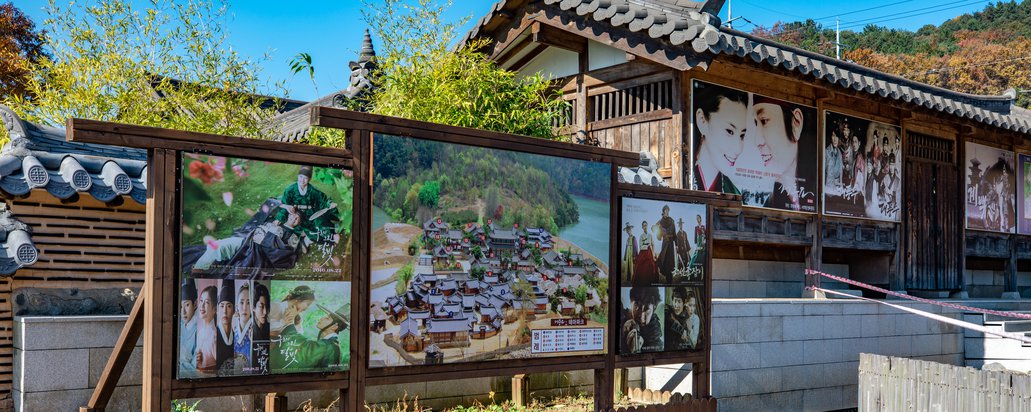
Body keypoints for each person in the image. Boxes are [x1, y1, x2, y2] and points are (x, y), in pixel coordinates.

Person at [752, 96, 811, 211]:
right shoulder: (765, 203)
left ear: (796, 123)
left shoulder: (816, 190)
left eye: (764, 121)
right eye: (755, 124)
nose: (757, 140)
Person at [692, 84, 749, 194]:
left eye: (742, 135)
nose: (738, 149)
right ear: (702, 120)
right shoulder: (681, 175)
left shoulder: (733, 193)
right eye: (729, 131)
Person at [275, 166, 340, 246]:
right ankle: (302, 241)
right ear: (298, 176)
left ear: (309, 179)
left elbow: (323, 201)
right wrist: (279, 218)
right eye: (300, 177)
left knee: (319, 225)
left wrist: (330, 204)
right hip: (295, 214)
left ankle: (330, 236)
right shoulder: (290, 190)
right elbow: (285, 203)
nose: (302, 180)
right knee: (298, 230)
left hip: (311, 213)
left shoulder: (313, 191)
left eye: (305, 178)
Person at [273, 304, 349, 372]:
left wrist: (290, 322)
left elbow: (305, 348)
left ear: (334, 326)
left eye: (327, 318)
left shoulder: (329, 346)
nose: (322, 318)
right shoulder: (329, 344)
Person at [621, 287, 662, 354]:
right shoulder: (622, 317)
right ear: (631, 302)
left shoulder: (657, 344)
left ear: (654, 308)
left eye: (647, 310)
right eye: (637, 306)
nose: (641, 318)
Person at [194, 285, 217, 375]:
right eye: (201, 301)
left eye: (207, 302)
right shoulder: (200, 332)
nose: (202, 305)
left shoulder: (214, 336)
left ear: (215, 309)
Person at [215, 279, 236, 375]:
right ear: (217, 309)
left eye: (229, 306)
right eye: (222, 306)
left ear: (234, 310)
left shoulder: (237, 337)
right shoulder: (213, 335)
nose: (225, 311)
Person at [178, 280, 198, 377]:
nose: (183, 312)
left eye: (187, 305)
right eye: (181, 307)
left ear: (195, 304)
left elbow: (195, 367)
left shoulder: (199, 329)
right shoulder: (180, 326)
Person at [233, 281, 253, 373]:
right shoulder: (232, 329)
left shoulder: (255, 330)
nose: (244, 307)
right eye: (241, 302)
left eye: (248, 303)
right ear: (237, 306)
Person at [654, 205, 678, 282]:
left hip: (671, 243)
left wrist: (676, 244)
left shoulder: (672, 221)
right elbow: (659, 237)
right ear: (663, 211)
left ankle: (669, 278)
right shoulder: (660, 222)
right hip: (665, 243)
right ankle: (667, 277)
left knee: (670, 261)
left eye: (668, 210)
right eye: (666, 210)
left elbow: (674, 233)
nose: (667, 212)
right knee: (664, 260)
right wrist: (658, 229)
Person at [632, 220, 661, 285]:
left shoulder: (650, 235)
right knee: (641, 267)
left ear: (647, 226)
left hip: (650, 252)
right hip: (643, 253)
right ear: (642, 227)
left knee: (652, 265)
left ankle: (651, 281)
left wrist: (653, 254)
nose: (645, 227)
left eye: (646, 225)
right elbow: (640, 246)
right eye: (644, 226)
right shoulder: (641, 236)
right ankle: (643, 281)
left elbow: (653, 244)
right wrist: (646, 245)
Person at [251, 282, 271, 375]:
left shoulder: (271, 329)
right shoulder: (249, 331)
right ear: (253, 307)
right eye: (261, 306)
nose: (265, 312)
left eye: (267, 306)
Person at [825, 130, 844, 195]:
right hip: (828, 188)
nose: (835, 139)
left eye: (837, 137)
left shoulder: (840, 153)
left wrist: (840, 185)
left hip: (837, 188)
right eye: (833, 136)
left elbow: (840, 172)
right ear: (831, 137)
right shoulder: (826, 152)